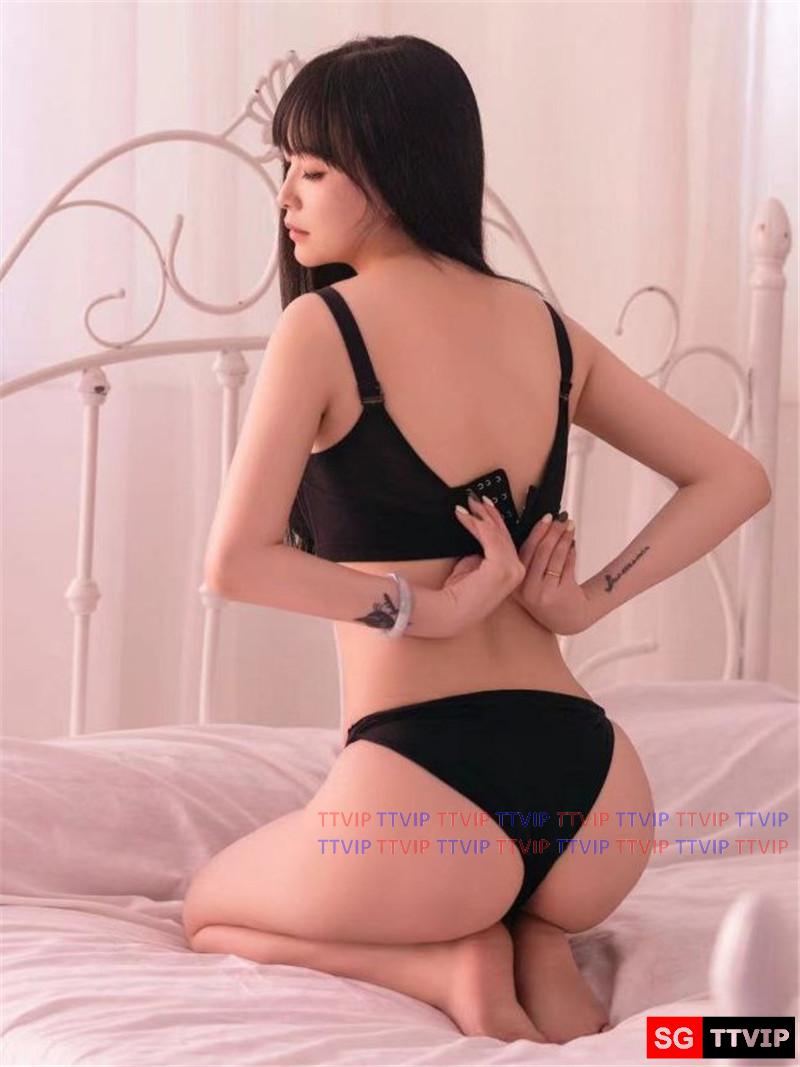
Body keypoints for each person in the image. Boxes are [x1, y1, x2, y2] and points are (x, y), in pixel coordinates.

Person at [181, 34, 772, 1044]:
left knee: (206, 909)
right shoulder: (545, 329)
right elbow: (736, 476)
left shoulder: (323, 328)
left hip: (421, 801)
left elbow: (234, 561)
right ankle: (534, 932)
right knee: (514, 896)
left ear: (387, 168)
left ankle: (447, 957)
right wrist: (586, 601)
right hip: (596, 804)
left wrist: (422, 606)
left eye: (311, 170)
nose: (285, 196)